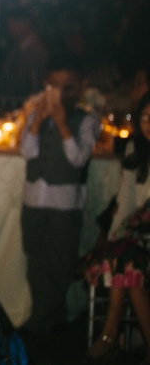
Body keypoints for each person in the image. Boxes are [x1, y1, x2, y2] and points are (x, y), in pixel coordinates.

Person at [19, 56, 98, 333]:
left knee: (60, 261)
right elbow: (27, 152)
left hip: (64, 202)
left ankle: (42, 321)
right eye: (55, 86)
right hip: (34, 199)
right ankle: (49, 316)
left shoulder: (86, 121)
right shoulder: (33, 115)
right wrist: (37, 123)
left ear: (80, 88)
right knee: (35, 260)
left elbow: (78, 159)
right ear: (46, 86)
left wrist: (64, 125)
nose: (61, 93)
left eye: (69, 87)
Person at [83, 92, 150, 364]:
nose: (149, 123)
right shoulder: (136, 149)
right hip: (139, 236)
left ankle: (110, 337)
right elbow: (126, 201)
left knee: (126, 262)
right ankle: (113, 336)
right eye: (145, 117)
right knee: (123, 260)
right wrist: (113, 237)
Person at [0, 12, 49, 99]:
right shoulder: (15, 48)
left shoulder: (37, 50)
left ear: (27, 23)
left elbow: (35, 83)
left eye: (14, 23)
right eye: (10, 25)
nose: (11, 28)